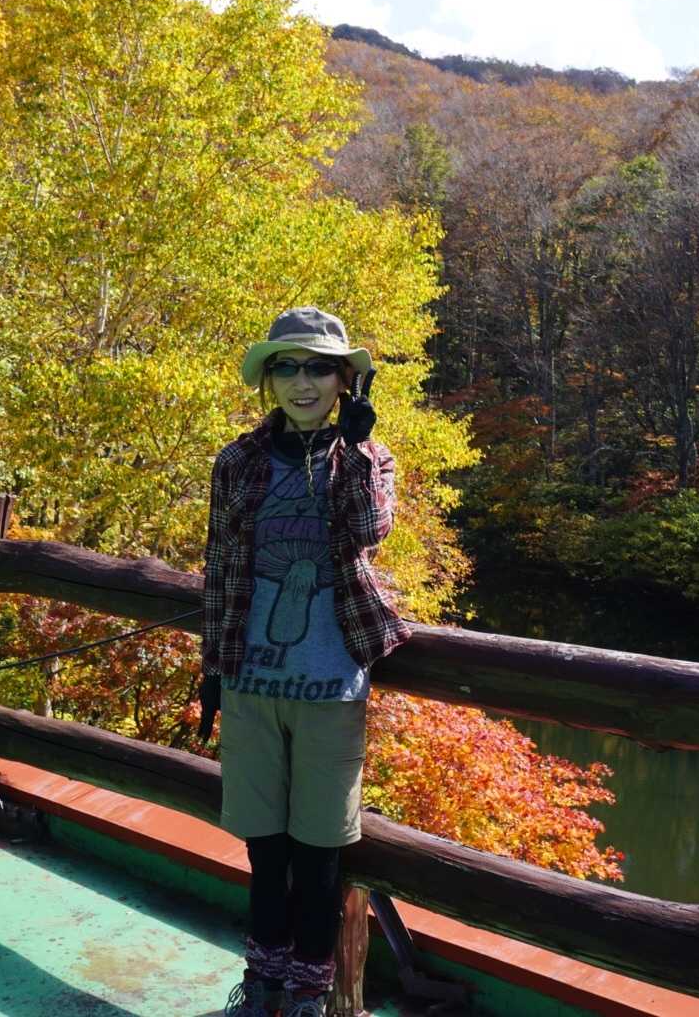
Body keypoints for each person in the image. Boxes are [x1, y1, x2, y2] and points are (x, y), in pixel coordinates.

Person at [199, 306, 411, 1017]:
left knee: (319, 853)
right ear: (269, 380)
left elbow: (369, 530)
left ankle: (310, 993)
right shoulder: (238, 462)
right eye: (286, 367)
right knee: (264, 849)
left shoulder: (369, 457)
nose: (302, 381)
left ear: (345, 380)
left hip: (330, 686)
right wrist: (213, 668)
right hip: (250, 681)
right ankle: (261, 983)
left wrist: (356, 447)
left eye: (319, 367)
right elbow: (220, 567)